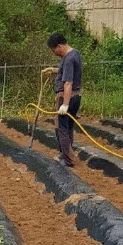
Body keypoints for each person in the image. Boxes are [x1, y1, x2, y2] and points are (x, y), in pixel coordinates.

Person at [48, 32, 83, 167]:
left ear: (59, 46)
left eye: (53, 50)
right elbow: (67, 71)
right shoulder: (75, 54)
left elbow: (68, 83)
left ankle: (67, 159)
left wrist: (65, 105)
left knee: (62, 128)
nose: (54, 53)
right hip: (76, 96)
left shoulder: (68, 58)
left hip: (68, 97)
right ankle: (67, 154)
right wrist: (53, 70)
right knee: (68, 127)